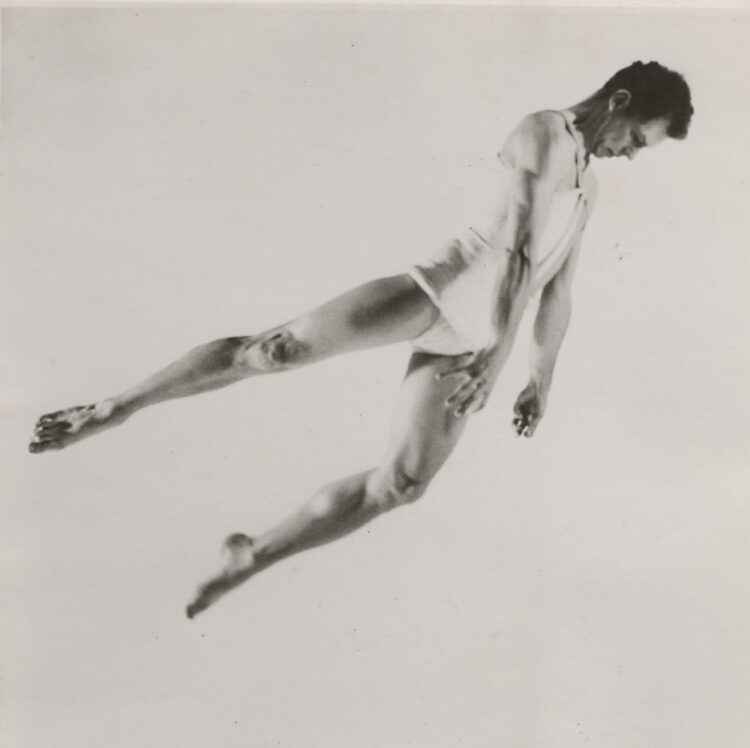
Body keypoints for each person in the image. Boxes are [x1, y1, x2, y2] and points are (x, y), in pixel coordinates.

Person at [29, 61, 693, 619]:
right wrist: (496, 352)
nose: (631, 154)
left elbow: (558, 288)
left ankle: (252, 553)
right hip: (435, 294)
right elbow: (516, 253)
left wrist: (537, 379)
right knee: (273, 350)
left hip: (471, 341)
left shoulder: (590, 188)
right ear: (621, 100)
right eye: (638, 138)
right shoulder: (543, 132)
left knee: (403, 483)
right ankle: (111, 408)